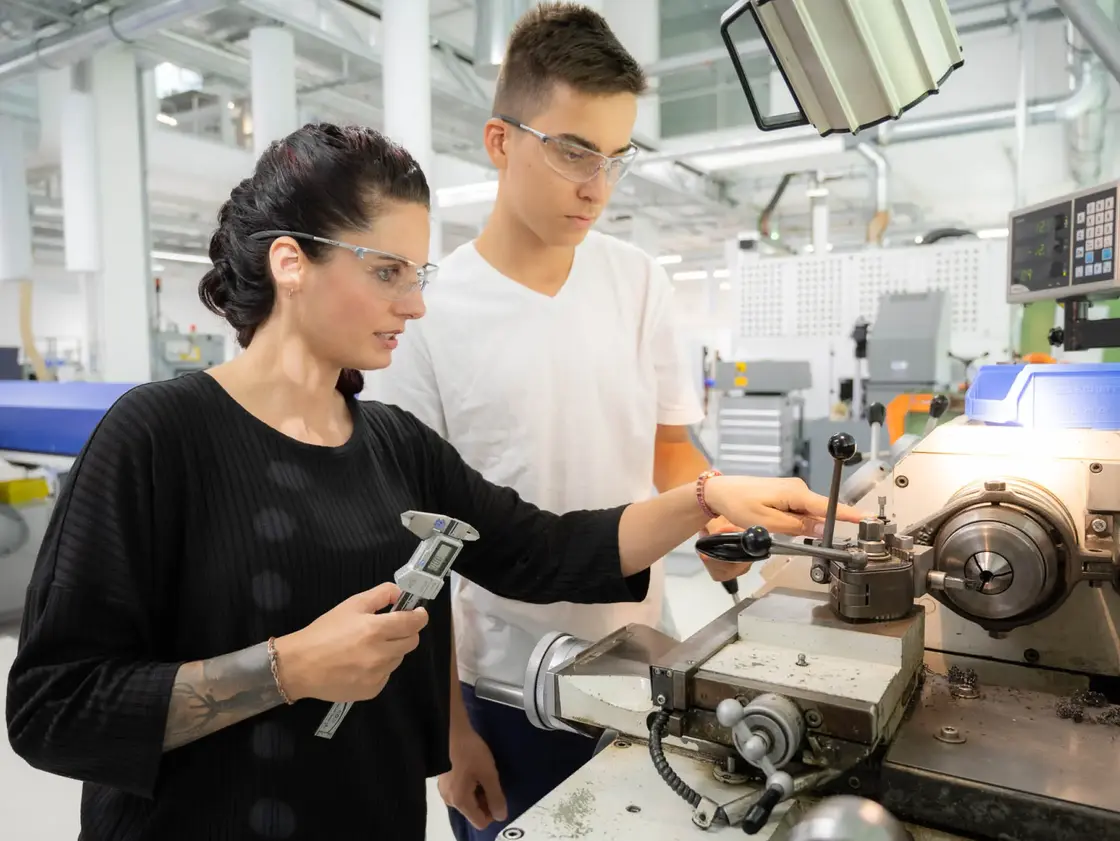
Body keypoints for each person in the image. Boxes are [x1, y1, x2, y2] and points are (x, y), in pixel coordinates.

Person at [4, 123, 862, 841]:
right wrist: (288, 667)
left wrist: (704, 499)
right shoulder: (157, 437)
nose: (414, 305)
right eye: (388, 272)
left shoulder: (392, 443)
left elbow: (545, 550)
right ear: (291, 263)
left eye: (419, 274)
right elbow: (54, 707)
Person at [371, 6, 763, 839]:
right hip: (505, 693)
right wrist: (448, 736)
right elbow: (416, 551)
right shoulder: (426, 314)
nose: (597, 185)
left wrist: (719, 514)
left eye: (616, 158)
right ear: (500, 140)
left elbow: (667, 447)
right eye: (574, 150)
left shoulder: (638, 280)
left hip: (644, 661)